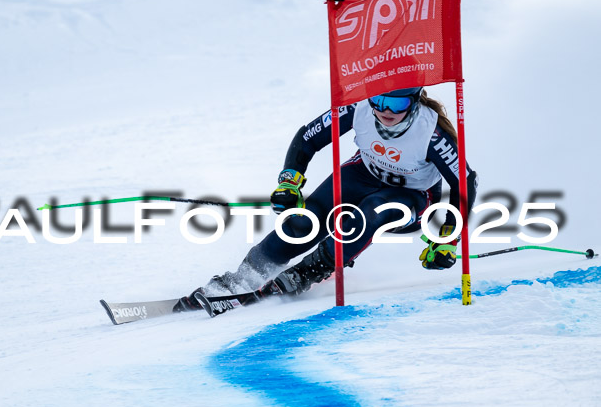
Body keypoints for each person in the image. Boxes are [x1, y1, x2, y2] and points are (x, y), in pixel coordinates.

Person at [199, 86, 477, 299]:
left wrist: (448, 239)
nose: (385, 110)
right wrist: (288, 183)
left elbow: (466, 183)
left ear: (415, 100)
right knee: (303, 223)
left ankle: (306, 273)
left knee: (370, 212)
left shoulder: (431, 132)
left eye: (396, 103)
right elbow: (307, 138)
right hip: (362, 175)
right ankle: (243, 277)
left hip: (411, 197)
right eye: (378, 99)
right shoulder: (359, 108)